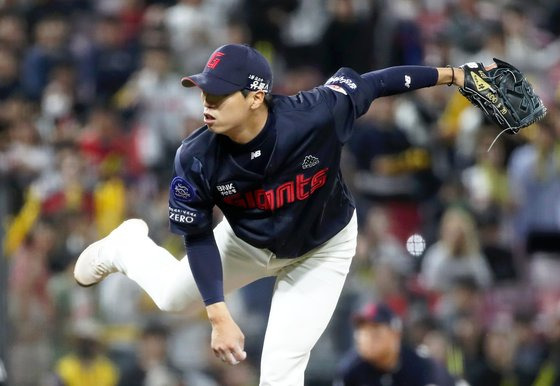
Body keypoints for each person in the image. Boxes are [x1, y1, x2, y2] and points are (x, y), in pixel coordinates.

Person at [74, 43, 470, 385]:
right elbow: (196, 237)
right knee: (171, 299)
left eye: (218, 95)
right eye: (203, 93)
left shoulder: (316, 114)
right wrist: (218, 316)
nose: (206, 103)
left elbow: (377, 83)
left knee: (280, 372)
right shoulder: (195, 157)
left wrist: (455, 75)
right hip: (246, 242)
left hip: (322, 248)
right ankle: (125, 248)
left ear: (255, 97)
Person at [334, 302, 460, 386]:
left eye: (375, 331)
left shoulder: (419, 364)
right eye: (362, 331)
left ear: (395, 334)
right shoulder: (351, 368)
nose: (367, 337)